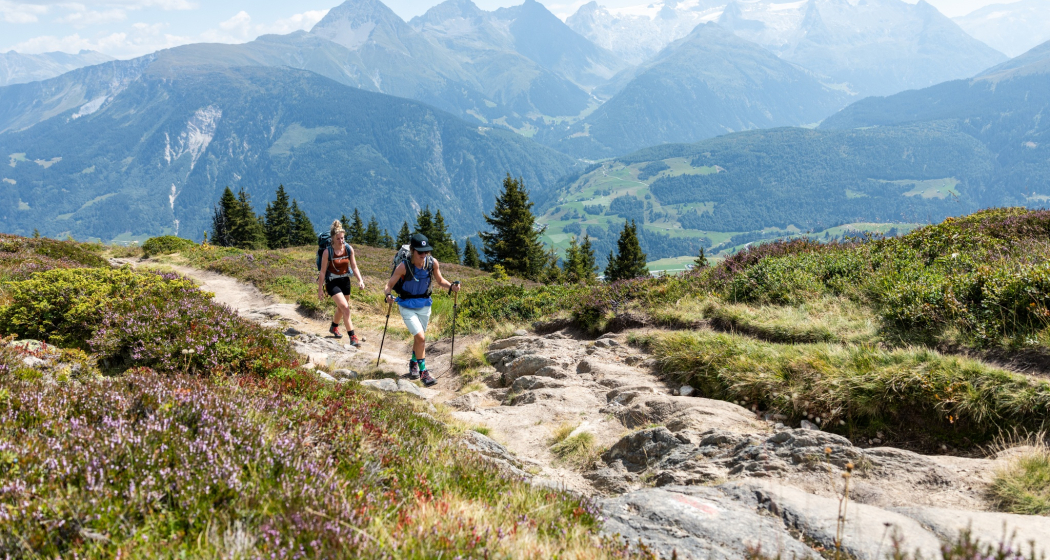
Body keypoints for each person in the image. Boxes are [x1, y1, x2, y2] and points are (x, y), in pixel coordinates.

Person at [384, 233, 460, 387]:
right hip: (406, 305)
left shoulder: (432, 263)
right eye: (420, 251)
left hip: (425, 305)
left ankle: (413, 362)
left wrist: (451, 286)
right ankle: (423, 372)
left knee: (419, 339)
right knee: (421, 338)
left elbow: (440, 280)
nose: (424, 254)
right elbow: (389, 285)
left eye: (426, 251)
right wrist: (388, 296)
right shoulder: (404, 266)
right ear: (412, 250)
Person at [318, 220, 365, 346]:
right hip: (332, 282)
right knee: (345, 308)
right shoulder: (327, 252)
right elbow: (322, 272)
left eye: (342, 238)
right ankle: (353, 337)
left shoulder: (348, 249)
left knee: (341, 308)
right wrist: (320, 289)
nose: (341, 241)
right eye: (338, 238)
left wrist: (360, 280)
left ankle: (334, 327)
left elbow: (354, 266)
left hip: (345, 281)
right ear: (333, 239)